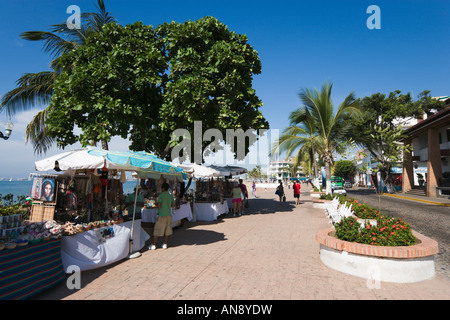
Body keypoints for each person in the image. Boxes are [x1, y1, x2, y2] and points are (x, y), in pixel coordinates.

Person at [149, 183, 175, 250]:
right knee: (167, 230)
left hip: (162, 215)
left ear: (163, 188)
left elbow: (159, 205)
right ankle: (165, 244)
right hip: (168, 214)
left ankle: (154, 245)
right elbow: (173, 205)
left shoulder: (161, 196)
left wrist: (156, 204)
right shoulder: (170, 196)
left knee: (157, 230)